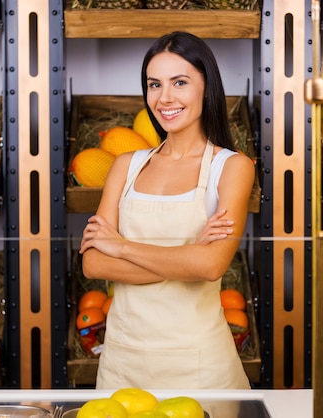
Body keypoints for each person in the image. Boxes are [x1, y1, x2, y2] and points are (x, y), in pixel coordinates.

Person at [79, 31, 255, 390]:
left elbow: (210, 266)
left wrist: (121, 246)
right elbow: (94, 264)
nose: (165, 98)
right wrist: (185, 257)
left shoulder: (233, 167)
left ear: (207, 87)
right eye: (154, 84)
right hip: (122, 364)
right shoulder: (125, 165)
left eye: (180, 82)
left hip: (201, 366)